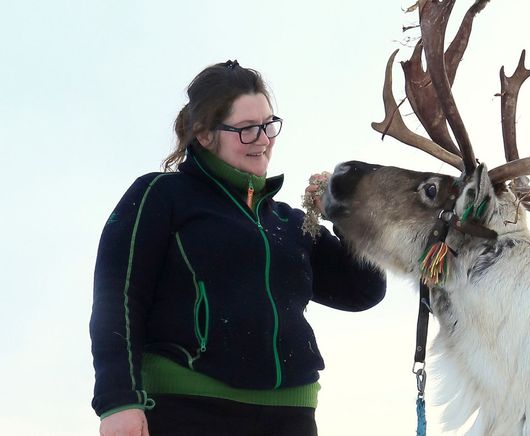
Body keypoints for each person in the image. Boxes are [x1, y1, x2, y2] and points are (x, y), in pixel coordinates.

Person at [90, 60, 386, 436]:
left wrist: (347, 217)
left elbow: (363, 290)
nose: (263, 139)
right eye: (246, 129)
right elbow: (118, 300)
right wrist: (118, 401)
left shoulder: (289, 223)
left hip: (290, 418)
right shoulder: (161, 196)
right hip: (188, 411)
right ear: (204, 134)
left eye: (268, 125)